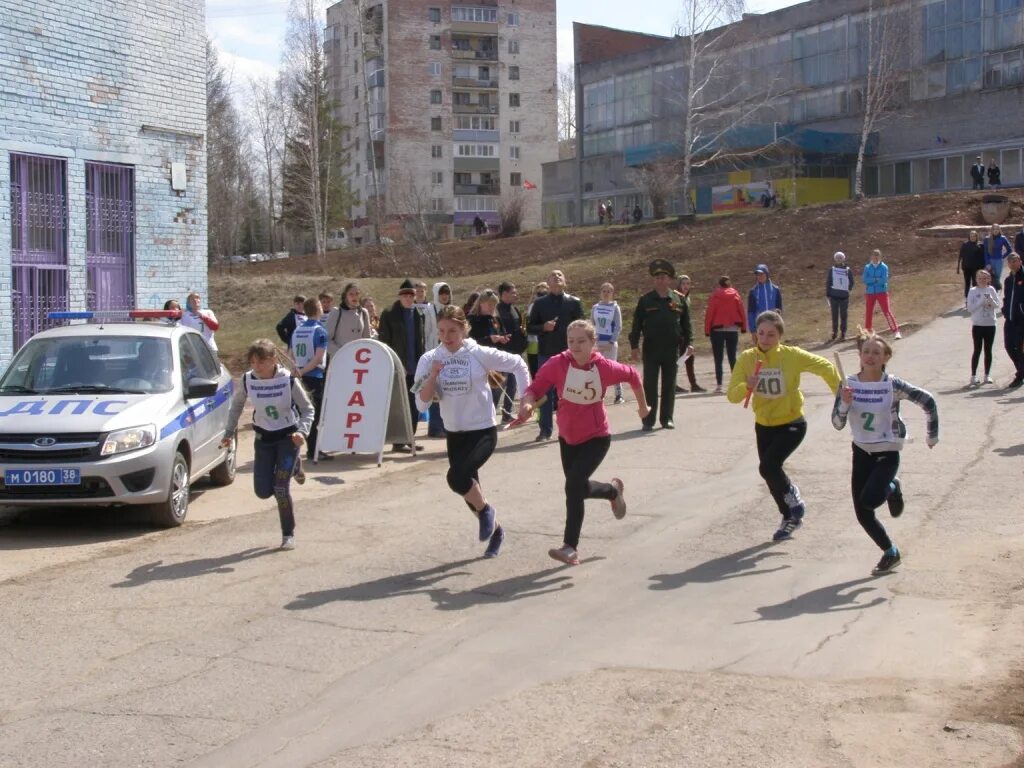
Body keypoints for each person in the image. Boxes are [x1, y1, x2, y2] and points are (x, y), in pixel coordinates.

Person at [518, 320, 650, 565]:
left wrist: (643, 407)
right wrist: (527, 402)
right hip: (567, 438)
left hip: (597, 437)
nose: (576, 346)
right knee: (577, 487)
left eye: (581, 341)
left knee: (573, 487)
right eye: (571, 341)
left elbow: (633, 375)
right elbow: (534, 388)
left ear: (593, 343)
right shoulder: (557, 364)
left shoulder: (604, 368)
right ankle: (612, 491)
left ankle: (570, 547)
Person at [413, 306, 530, 558]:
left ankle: (487, 512)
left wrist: (525, 399)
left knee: (456, 478)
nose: (447, 336)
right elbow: (421, 403)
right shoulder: (429, 358)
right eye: (442, 331)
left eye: (453, 331)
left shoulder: (478, 353)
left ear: (464, 329)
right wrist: (434, 374)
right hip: (455, 433)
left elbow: (519, 364)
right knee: (468, 491)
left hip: (482, 431)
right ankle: (496, 529)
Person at [726, 311, 841, 541]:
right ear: (755, 334)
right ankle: (789, 517)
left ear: (780, 336)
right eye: (761, 334)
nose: (765, 339)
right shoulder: (746, 359)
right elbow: (732, 395)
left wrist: (840, 395)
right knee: (768, 472)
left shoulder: (792, 355)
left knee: (769, 466)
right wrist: (745, 386)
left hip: (792, 422)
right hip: (764, 424)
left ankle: (793, 495)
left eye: (771, 334)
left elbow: (825, 367)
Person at [832, 330, 939, 575]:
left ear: (885, 357)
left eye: (876, 353)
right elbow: (837, 423)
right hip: (861, 451)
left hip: (887, 451)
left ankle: (892, 487)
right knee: (863, 513)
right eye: (866, 352)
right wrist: (844, 403)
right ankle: (890, 552)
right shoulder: (848, 384)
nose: (870, 356)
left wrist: (932, 435)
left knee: (869, 499)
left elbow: (928, 401)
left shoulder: (892, 384)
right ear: (859, 355)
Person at [222, 339, 314, 550]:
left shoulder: (288, 380)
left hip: (288, 438)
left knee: (280, 488)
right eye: (253, 362)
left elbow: (308, 409)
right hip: (264, 440)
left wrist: (302, 431)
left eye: (262, 362)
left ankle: (288, 533)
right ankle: (296, 467)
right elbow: (236, 407)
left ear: (273, 359)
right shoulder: (247, 380)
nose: (257, 367)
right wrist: (228, 433)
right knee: (263, 491)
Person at [629, 259, 692, 431]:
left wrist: (690, 343)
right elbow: (636, 325)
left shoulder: (679, 300)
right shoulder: (646, 300)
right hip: (651, 348)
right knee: (649, 384)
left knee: (669, 384)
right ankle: (648, 420)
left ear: (670, 280)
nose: (660, 280)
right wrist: (634, 346)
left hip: (672, 348)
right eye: (657, 277)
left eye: (664, 277)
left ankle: (667, 419)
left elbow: (686, 325)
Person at [527, 269, 585, 441]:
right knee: (545, 393)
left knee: (570, 393)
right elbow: (530, 327)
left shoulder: (574, 302)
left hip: (570, 354)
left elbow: (583, 325)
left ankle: (570, 428)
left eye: (560, 275)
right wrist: (543, 327)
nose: (556, 277)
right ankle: (545, 430)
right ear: (548, 282)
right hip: (546, 354)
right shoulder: (540, 304)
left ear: (565, 281)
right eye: (553, 275)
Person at [378, 279, 426, 452]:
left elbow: (421, 341)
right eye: (405, 295)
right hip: (398, 368)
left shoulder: (418, 314)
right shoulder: (389, 314)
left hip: (416, 368)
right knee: (399, 405)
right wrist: (395, 364)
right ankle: (398, 441)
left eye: (411, 295)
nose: (408, 298)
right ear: (399, 296)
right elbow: (385, 343)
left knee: (414, 404)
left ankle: (409, 438)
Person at [291, 297, 330, 463]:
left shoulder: (297, 330)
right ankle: (314, 450)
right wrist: (304, 370)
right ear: (319, 309)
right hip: (314, 376)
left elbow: (290, 352)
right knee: (316, 414)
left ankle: (310, 448)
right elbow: (318, 357)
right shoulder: (320, 331)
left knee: (303, 412)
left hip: (299, 376)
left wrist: (296, 370)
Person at [704, 275, 747, 393]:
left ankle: (719, 385)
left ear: (719, 284)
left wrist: (707, 330)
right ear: (729, 284)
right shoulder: (735, 295)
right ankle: (736, 383)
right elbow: (741, 311)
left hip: (717, 330)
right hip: (733, 329)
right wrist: (743, 326)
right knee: (732, 357)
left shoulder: (715, 296)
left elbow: (710, 313)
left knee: (718, 359)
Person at [496, 281, 528, 422]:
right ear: (504, 294)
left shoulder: (515, 309)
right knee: (499, 384)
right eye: (513, 292)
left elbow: (519, 327)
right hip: (502, 352)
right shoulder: (497, 311)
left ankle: (507, 413)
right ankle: (490, 411)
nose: (516, 294)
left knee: (513, 384)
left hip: (516, 352)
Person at [427, 282, 453, 437]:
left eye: (447, 293)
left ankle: (446, 425)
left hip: (449, 354)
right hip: (435, 352)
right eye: (442, 293)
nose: (444, 296)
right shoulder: (430, 309)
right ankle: (435, 427)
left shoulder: (451, 310)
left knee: (448, 390)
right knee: (436, 390)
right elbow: (427, 331)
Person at [591, 282, 624, 404]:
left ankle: (619, 394)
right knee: (597, 369)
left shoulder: (615, 307)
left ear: (612, 293)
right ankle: (599, 395)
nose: (606, 293)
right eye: (604, 291)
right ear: (600, 292)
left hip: (610, 342)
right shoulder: (595, 307)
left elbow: (618, 326)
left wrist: (612, 341)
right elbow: (592, 325)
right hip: (598, 343)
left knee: (612, 367)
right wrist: (592, 342)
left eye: (608, 291)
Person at [967, 268, 999, 386]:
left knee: (988, 350)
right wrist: (981, 301)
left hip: (990, 324)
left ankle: (987, 375)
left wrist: (990, 301)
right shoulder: (973, 291)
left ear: (989, 279)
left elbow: (996, 305)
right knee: (977, 349)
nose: (982, 280)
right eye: (980, 278)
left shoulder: (991, 289)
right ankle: (973, 376)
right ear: (976, 279)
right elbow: (970, 308)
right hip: (978, 324)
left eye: (985, 278)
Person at [325, 282, 373, 358]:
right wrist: (342, 352)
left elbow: (367, 340)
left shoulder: (364, 313)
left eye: (357, 294)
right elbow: (326, 340)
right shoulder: (336, 312)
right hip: (340, 359)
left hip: (359, 361)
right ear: (345, 296)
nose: (355, 297)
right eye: (351, 294)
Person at [675, 274, 705, 393]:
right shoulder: (676, 297)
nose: (686, 286)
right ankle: (673, 384)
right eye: (683, 284)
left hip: (685, 334)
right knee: (678, 359)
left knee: (689, 358)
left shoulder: (687, 298)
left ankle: (693, 384)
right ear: (679, 285)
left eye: (688, 284)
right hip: (678, 334)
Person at [863, 249, 901, 339]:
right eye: (874, 255)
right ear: (871, 257)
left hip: (882, 292)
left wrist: (872, 280)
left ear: (880, 257)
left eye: (877, 256)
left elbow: (883, 280)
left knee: (887, 311)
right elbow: (865, 279)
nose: (875, 257)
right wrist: (875, 279)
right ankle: (868, 332)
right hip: (870, 292)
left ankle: (896, 331)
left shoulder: (884, 267)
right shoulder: (867, 267)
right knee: (868, 312)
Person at [1002, 252, 1024, 389]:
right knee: (1009, 346)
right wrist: (1004, 309)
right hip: (1010, 319)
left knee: (1019, 347)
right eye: (1010, 262)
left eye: (1015, 261)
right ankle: (1021, 371)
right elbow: (1006, 297)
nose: (1012, 264)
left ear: (1020, 262)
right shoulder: (1008, 280)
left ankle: (1020, 375)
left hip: (1021, 319)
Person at [746, 264, 783, 342]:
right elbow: (751, 312)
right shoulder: (753, 291)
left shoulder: (775, 290)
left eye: (761, 274)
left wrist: (779, 326)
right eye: (758, 275)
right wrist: (753, 331)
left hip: (773, 325)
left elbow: (779, 309)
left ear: (766, 274)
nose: (759, 276)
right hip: (760, 326)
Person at [826, 251, 855, 342]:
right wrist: (828, 293)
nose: (839, 259)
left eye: (840, 258)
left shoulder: (847, 270)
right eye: (837, 258)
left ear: (843, 259)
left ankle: (843, 334)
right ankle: (834, 333)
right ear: (835, 259)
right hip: (834, 296)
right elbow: (829, 281)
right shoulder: (832, 270)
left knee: (843, 316)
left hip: (844, 297)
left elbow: (852, 281)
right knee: (834, 316)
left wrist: (847, 289)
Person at [525, 282, 548, 379]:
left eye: (543, 294)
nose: (540, 297)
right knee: (536, 374)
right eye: (539, 294)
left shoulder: (532, 306)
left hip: (545, 345)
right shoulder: (532, 306)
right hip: (534, 344)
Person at [957, 230, 986, 301]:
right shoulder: (965, 245)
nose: (972, 237)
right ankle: (967, 299)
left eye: (974, 236)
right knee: (967, 283)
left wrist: (983, 267)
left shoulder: (980, 245)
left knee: (975, 283)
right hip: (967, 267)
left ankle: (976, 298)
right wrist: (958, 267)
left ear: (976, 237)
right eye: (971, 236)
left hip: (976, 268)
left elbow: (983, 257)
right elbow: (960, 256)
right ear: (969, 237)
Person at [983, 224, 1012, 288]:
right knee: (988, 278)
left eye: (997, 229)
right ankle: (988, 296)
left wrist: (1003, 257)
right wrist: (987, 263)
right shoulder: (987, 239)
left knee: (996, 279)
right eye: (994, 229)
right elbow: (985, 252)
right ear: (991, 230)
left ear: (999, 230)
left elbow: (1009, 249)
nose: (995, 230)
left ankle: (995, 295)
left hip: (999, 261)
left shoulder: (1002, 238)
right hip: (990, 261)